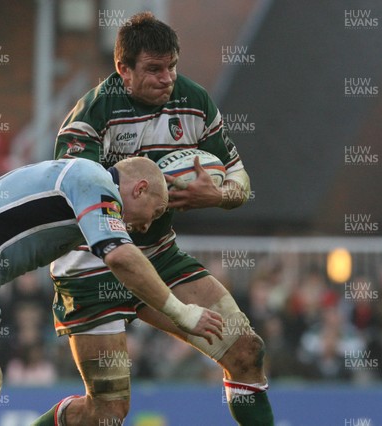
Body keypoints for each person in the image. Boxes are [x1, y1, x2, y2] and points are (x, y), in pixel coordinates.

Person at [33, 12, 274, 425]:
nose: (167, 78)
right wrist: (142, 199)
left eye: (172, 67)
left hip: (159, 256)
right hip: (92, 266)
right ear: (122, 70)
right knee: (108, 412)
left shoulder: (193, 101)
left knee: (246, 351)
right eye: (154, 69)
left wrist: (219, 194)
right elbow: (72, 200)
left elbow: (241, 179)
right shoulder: (91, 116)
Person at [0, 156, 223, 426]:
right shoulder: (93, 179)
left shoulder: (77, 197)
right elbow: (121, 258)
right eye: (155, 211)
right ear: (140, 188)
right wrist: (184, 312)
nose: (147, 223)